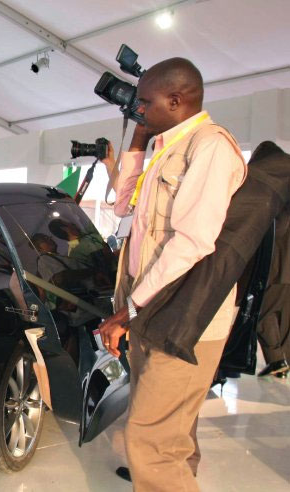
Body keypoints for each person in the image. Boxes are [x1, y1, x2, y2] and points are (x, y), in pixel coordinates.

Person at [98, 57, 246, 491]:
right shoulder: (166, 147)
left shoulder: (209, 147)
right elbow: (121, 205)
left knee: (150, 441)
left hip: (184, 312)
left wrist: (129, 309)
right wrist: (138, 138)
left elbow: (192, 241)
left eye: (145, 103)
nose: (138, 109)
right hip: (151, 304)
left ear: (176, 100)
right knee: (170, 427)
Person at [254, 142, 290, 378]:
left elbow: (278, 230)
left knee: (262, 313)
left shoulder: (271, 194)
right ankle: (281, 361)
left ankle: (277, 361)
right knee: (285, 316)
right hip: (285, 268)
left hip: (277, 267)